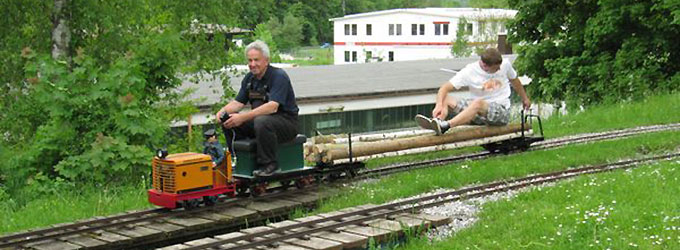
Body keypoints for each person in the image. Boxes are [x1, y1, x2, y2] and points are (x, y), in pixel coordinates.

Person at [215, 40, 299, 177]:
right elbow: (238, 103)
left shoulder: (278, 76)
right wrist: (222, 112)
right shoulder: (249, 79)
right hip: (261, 124)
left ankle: (270, 165)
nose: (252, 64)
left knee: (261, 121)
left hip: (287, 124)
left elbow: (272, 107)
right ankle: (239, 160)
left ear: (266, 60)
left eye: (256, 60)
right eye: (250, 60)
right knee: (229, 121)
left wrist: (243, 117)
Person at [415, 48, 531, 135]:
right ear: (485, 66)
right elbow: (444, 88)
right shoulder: (470, 71)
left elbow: (515, 81)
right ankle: (439, 122)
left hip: (500, 112)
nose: (499, 69)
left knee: (477, 103)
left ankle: (446, 125)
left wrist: (525, 98)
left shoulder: (505, 64)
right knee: (445, 98)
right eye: (496, 68)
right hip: (476, 114)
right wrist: (439, 105)